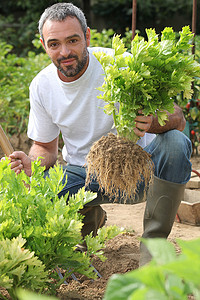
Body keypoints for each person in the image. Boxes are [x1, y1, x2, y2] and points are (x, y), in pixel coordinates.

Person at [9, 3, 192, 266]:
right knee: (41, 185)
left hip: (142, 172)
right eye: (54, 44)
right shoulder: (42, 85)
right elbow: (45, 148)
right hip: (86, 178)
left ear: (87, 36)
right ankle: (88, 220)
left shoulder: (120, 63)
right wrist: (32, 163)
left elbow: (178, 117)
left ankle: (153, 248)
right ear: (43, 44)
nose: (65, 52)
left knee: (176, 142)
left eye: (72, 40)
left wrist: (153, 121)